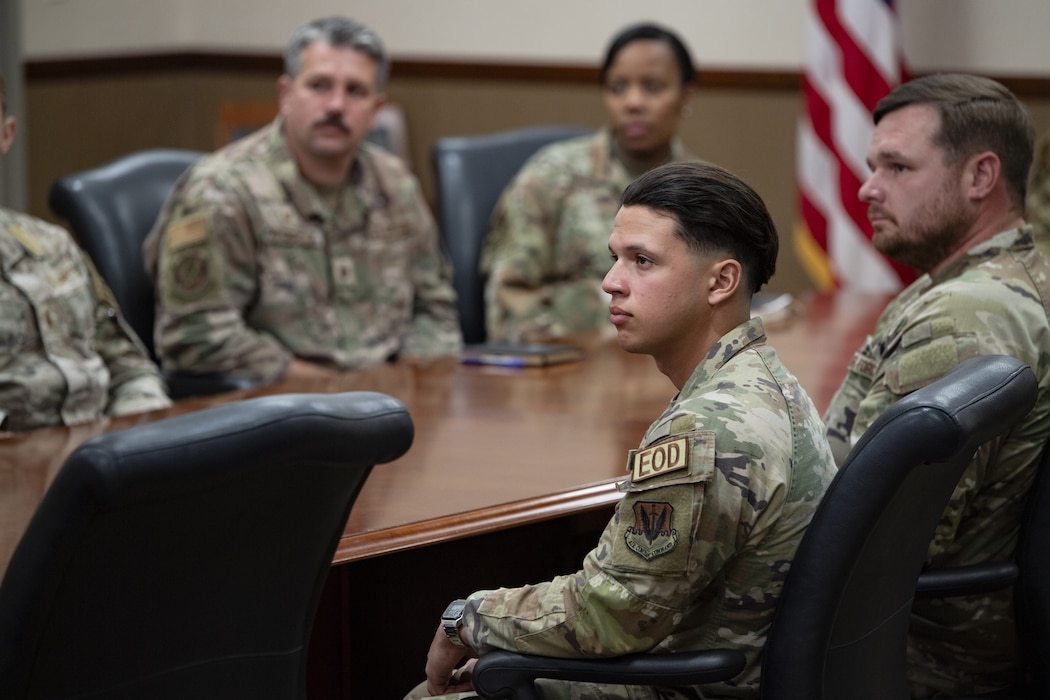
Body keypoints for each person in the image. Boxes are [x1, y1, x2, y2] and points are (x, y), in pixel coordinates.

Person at [407, 162, 837, 700]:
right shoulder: (767, 379)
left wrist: (467, 619)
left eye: (642, 261)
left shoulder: (706, 429)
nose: (611, 282)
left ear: (721, 281)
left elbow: (613, 615)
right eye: (615, 258)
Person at [822, 73, 1050, 697]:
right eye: (873, 165)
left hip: (899, 651)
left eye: (897, 167)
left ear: (980, 177)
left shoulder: (967, 315)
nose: (868, 188)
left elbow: (870, 539)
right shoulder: (1001, 278)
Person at [144, 17, 461, 385]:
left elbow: (435, 309)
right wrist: (334, 390)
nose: (336, 105)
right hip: (276, 408)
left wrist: (406, 382)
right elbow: (197, 337)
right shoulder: (223, 192)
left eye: (355, 91)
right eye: (319, 86)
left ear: (375, 110)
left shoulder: (395, 184)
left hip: (390, 403)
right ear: (286, 94)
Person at [481, 23, 700, 343]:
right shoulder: (550, 176)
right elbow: (508, 302)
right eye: (618, 87)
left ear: (686, 96)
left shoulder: (703, 192)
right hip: (566, 365)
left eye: (652, 87)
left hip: (674, 369)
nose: (633, 102)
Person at [0, 73, 171, 432]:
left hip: (104, 460)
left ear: (6, 135)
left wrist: (147, 435)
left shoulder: (51, 245)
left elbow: (130, 370)